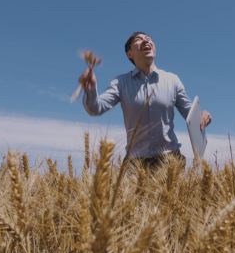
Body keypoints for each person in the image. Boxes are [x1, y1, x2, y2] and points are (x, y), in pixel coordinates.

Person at [78, 31, 212, 168]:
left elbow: (190, 114)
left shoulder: (173, 80)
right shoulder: (120, 82)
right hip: (135, 165)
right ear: (129, 53)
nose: (145, 40)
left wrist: (202, 115)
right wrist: (90, 88)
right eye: (139, 39)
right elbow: (95, 108)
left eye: (148, 39)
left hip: (170, 161)